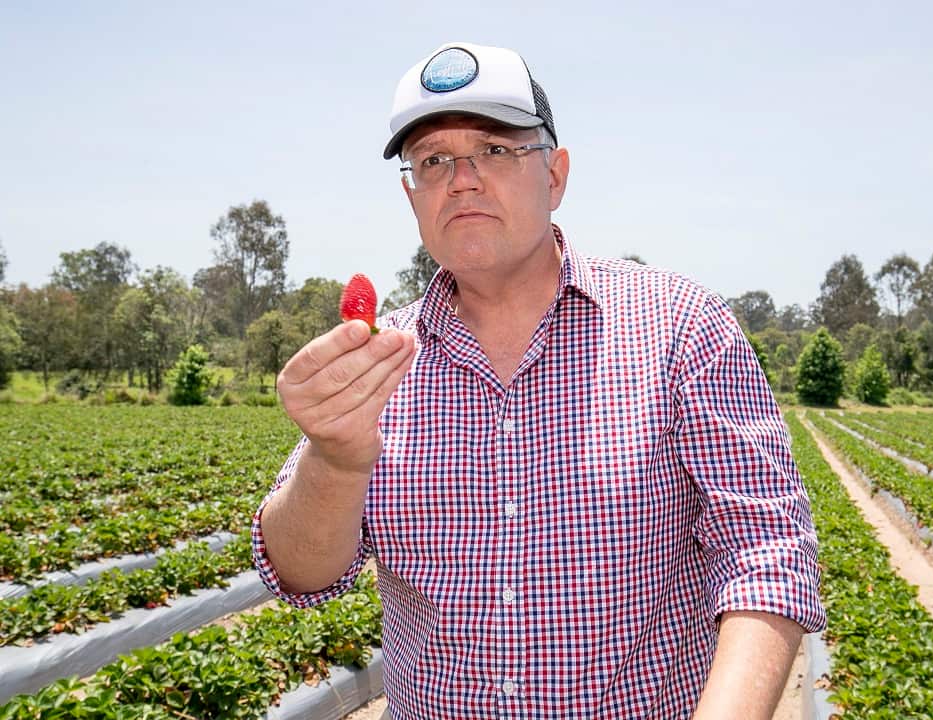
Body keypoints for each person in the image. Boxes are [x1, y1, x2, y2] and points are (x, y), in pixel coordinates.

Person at [252, 41, 825, 719]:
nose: (461, 178)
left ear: (554, 175)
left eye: (495, 150)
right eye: (433, 160)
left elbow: (764, 546)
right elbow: (299, 573)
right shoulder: (378, 360)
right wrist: (335, 460)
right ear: (413, 196)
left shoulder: (679, 326)